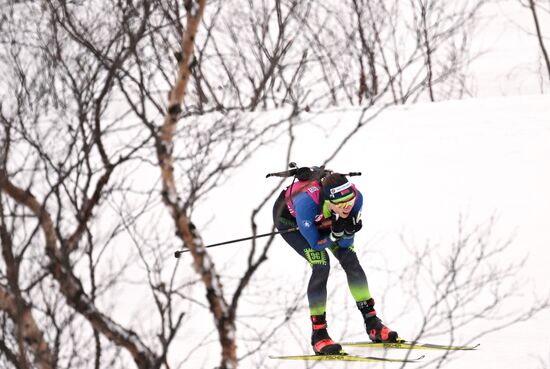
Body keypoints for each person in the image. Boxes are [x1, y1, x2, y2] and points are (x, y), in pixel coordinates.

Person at [272, 171, 398, 355]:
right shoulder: (306, 203)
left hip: (324, 219)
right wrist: (334, 234)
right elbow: (315, 244)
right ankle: (319, 334)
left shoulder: (357, 198)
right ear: (329, 201)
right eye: (341, 203)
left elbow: (346, 245)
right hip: (292, 221)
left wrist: (345, 227)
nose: (347, 206)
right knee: (322, 264)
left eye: (350, 200)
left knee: (350, 260)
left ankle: (372, 322)